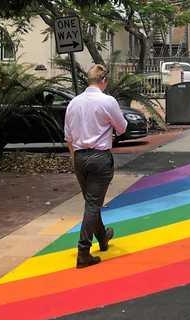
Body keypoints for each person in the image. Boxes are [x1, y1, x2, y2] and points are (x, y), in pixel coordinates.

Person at [64, 64, 127, 268]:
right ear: (104, 81)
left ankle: (102, 237)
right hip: (99, 157)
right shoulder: (107, 101)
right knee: (93, 204)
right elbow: (122, 127)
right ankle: (83, 251)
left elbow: (69, 137)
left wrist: (74, 159)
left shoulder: (74, 103)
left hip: (80, 157)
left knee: (92, 201)